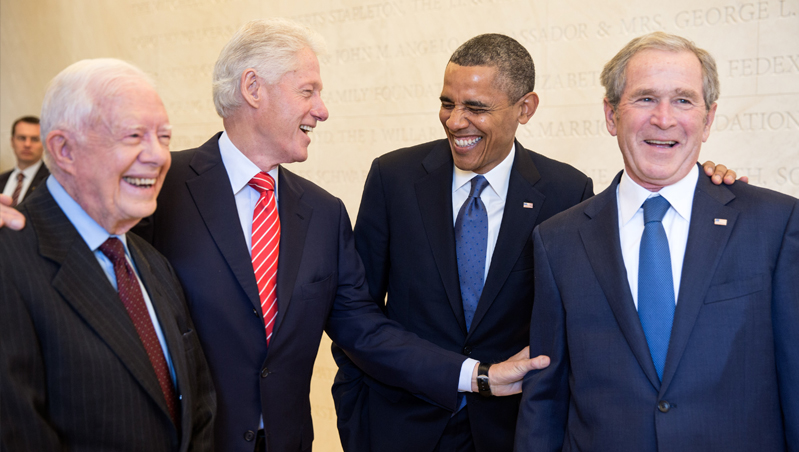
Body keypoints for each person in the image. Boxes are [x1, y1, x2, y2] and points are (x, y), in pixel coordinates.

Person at [127, 19, 543, 452]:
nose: (322, 110)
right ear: (253, 88)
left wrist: (478, 376)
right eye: (308, 91)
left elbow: (363, 329)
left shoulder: (323, 213)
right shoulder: (160, 188)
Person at [331, 33, 743, 452]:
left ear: (525, 108)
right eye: (447, 103)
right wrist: (353, 409)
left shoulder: (567, 192)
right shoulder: (393, 177)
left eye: (476, 108)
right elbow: (354, 313)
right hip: (398, 427)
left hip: (510, 433)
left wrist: (698, 184)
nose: (456, 121)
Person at [514, 32, 799, 452]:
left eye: (683, 100)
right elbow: (545, 401)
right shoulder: (558, 241)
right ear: (611, 115)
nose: (664, 119)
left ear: (708, 118)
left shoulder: (776, 225)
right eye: (645, 98)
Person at [0, 59, 216, 451]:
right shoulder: (8, 260)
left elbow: (198, 408)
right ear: (64, 149)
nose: (158, 156)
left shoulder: (153, 264)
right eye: (134, 135)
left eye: (164, 137)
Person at [1, 116, 49, 206]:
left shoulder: (51, 181)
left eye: (34, 139)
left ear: (44, 143)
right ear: (12, 141)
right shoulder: (1, 179)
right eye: (22, 138)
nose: (27, 144)